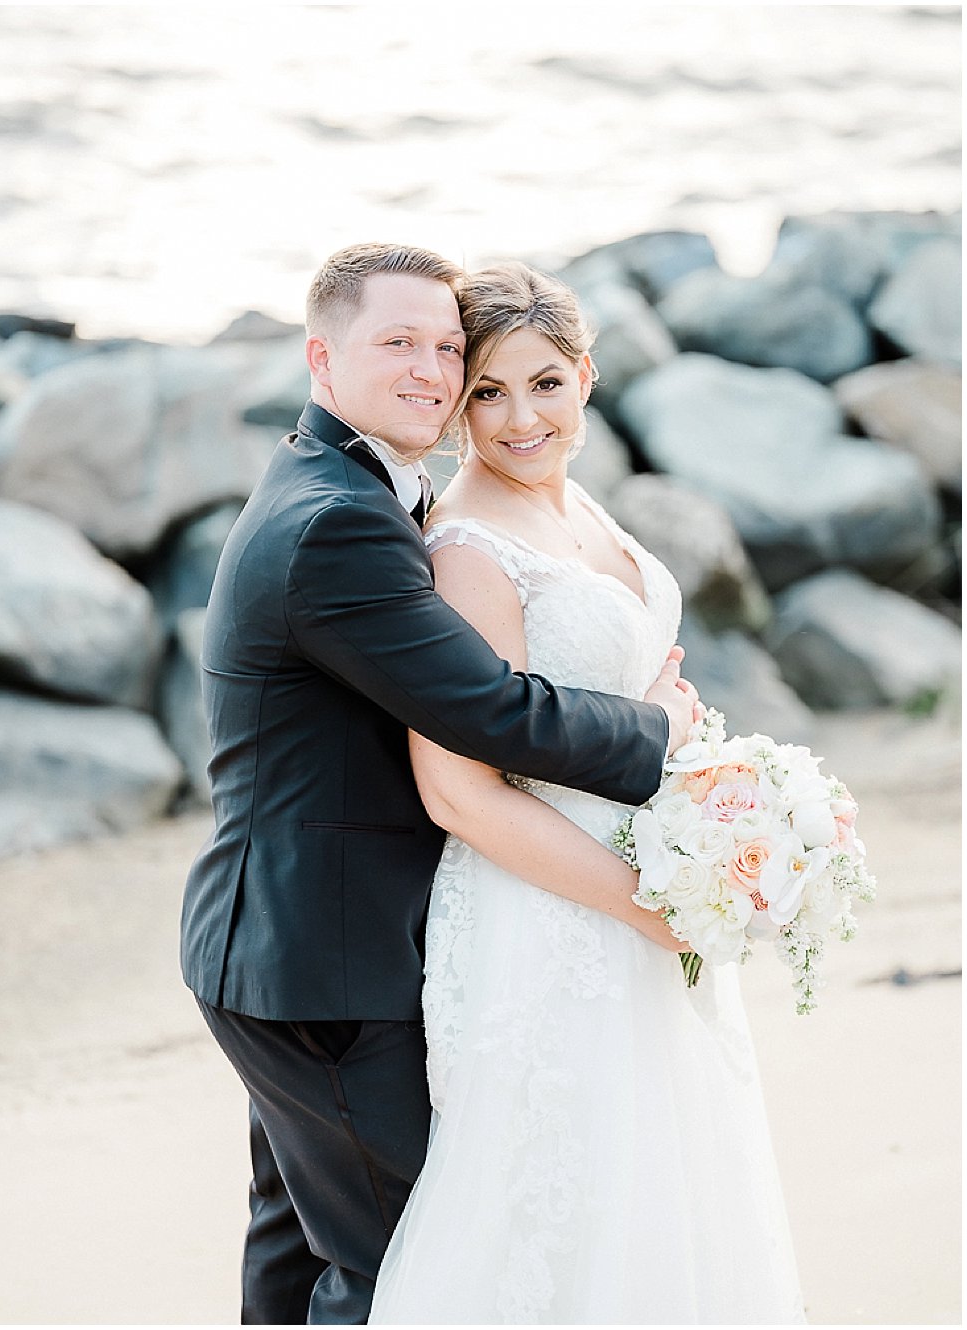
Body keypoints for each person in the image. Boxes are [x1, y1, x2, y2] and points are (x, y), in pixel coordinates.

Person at [180, 242, 701, 1325]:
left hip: (289, 943)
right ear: (322, 358)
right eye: (397, 344)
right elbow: (489, 711)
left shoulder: (348, 485)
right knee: (397, 1269)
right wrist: (659, 733)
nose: (430, 368)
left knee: (300, 1250)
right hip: (320, 963)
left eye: (442, 346)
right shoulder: (336, 520)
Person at [368, 262, 806, 1325]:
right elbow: (459, 793)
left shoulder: (575, 501)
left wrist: (709, 786)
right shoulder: (469, 551)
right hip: (555, 912)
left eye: (546, 384)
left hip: (650, 890)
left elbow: (616, 692)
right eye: (486, 392)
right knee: (564, 1205)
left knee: (675, 1187)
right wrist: (645, 903)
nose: (520, 418)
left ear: (589, 377)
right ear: (455, 402)